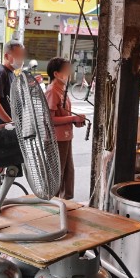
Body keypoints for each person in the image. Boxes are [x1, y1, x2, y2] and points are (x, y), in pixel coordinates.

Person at [44, 58, 86, 199]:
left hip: (65, 137)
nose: (70, 73)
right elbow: (49, 119)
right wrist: (73, 118)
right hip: (56, 139)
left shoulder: (62, 90)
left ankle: (65, 202)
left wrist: (75, 120)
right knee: (56, 175)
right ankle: (53, 205)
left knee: (67, 172)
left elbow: (64, 115)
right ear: (56, 74)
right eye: (66, 70)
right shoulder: (52, 91)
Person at [0, 41, 26, 126]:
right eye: (17, 55)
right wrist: (10, 122)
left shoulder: (11, 73)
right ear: (6, 56)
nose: (20, 58)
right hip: (2, 127)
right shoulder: (1, 73)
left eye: (21, 55)